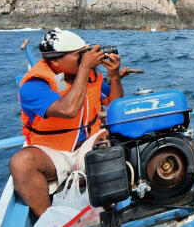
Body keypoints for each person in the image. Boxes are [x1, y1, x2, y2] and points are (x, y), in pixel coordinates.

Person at [9, 28, 128, 216]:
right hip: (53, 154)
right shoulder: (34, 85)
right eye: (79, 56)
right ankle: (49, 223)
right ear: (55, 60)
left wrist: (114, 77)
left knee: (124, 137)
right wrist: (83, 69)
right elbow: (68, 109)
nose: (86, 59)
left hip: (89, 144)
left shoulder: (91, 75)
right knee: (21, 162)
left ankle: (113, 207)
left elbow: (115, 106)